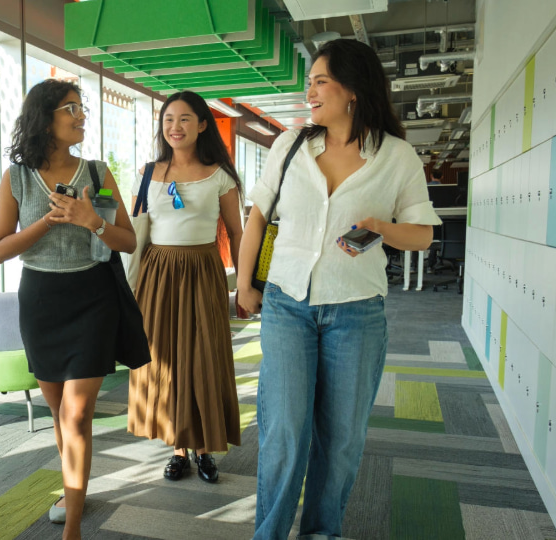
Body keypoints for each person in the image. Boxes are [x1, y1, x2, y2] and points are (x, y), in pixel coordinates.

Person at [237, 39, 441, 540]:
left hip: (356, 311)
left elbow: (423, 232)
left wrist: (382, 227)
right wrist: (245, 284)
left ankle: (320, 533)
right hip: (288, 304)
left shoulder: (395, 156)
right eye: (308, 82)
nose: (310, 91)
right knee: (284, 431)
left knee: (342, 438)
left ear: (352, 89)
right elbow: (259, 214)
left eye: (319, 81)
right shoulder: (289, 145)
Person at [0, 79, 136, 540]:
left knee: (76, 416)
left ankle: (72, 527)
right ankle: (73, 489)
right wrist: (48, 222)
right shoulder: (15, 178)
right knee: (58, 414)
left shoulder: (97, 175)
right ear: (44, 117)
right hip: (41, 301)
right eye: (70, 108)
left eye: (81, 107)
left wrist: (91, 220)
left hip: (92, 299)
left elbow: (127, 240)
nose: (80, 115)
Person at [127, 91, 243, 483]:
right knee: (167, 362)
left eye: (185, 119)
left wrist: (245, 286)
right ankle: (178, 447)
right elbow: (131, 233)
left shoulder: (220, 175)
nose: (175, 127)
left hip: (203, 271)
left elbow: (238, 234)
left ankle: (205, 448)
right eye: (168, 120)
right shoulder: (146, 173)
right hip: (158, 275)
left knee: (204, 358)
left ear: (203, 125)